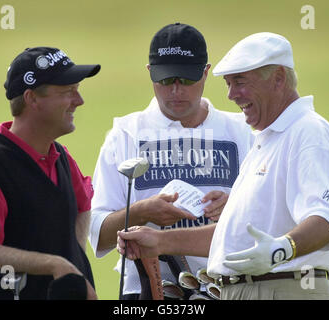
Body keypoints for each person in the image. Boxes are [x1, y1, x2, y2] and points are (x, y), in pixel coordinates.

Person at [118, 32, 329, 300]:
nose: (230, 95)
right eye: (228, 84)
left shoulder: (308, 132)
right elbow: (234, 240)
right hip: (251, 289)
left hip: (282, 289)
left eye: (240, 82)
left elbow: (327, 220)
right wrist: (159, 241)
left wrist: (282, 249)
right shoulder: (267, 139)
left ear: (278, 78)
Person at [89, 23, 254, 299]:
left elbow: (270, 223)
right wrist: (142, 212)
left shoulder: (241, 133)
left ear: (205, 72)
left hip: (228, 290)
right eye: (166, 80)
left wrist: (234, 210)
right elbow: (98, 234)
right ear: (149, 73)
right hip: (146, 291)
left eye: (187, 79)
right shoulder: (126, 134)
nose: (176, 91)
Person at [0, 47, 101, 300]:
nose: (79, 101)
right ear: (32, 98)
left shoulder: (61, 155)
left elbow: (83, 203)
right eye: (68, 91)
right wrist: (57, 265)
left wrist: (75, 256)